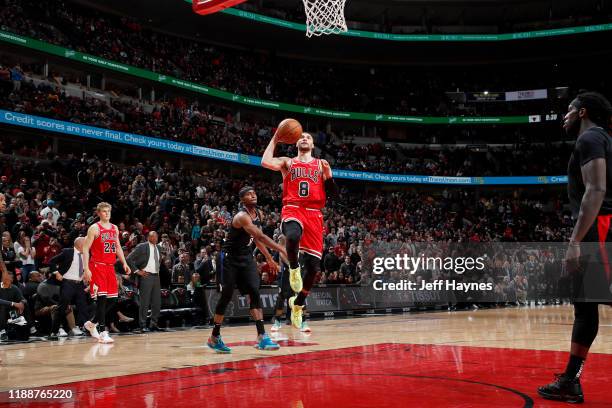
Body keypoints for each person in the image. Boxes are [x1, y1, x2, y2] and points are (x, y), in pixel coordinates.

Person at [538, 92, 612, 404]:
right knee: (586, 307)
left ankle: (570, 379)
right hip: (602, 227)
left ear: (582, 112)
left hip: (601, 229)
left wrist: (574, 242)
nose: (563, 116)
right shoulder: (605, 139)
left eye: (568, 110)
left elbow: (596, 190)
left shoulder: (590, 140)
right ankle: (570, 379)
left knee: (588, 307)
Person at [262, 131, 338, 328]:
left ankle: (298, 305)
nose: (304, 138)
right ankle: (294, 268)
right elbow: (265, 162)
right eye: (301, 137)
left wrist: (329, 177)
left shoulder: (321, 164)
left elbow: (334, 195)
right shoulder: (288, 162)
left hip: (314, 214)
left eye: (309, 137)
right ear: (296, 143)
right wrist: (275, 138)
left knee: (314, 268)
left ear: (312, 145)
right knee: (293, 236)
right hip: (293, 208)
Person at [207, 186, 287, 353]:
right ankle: (214, 337)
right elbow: (261, 237)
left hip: (245, 257)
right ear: (242, 199)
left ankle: (262, 336)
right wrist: (281, 249)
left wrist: (270, 258)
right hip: (229, 258)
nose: (253, 196)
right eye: (249, 194)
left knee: (254, 291)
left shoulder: (259, 214)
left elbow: (256, 240)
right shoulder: (241, 216)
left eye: (254, 193)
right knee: (227, 295)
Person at [82, 202, 131, 343]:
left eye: (108, 211)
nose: (107, 213)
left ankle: (92, 323)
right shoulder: (94, 228)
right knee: (102, 300)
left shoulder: (115, 228)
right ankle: (103, 331)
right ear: (98, 213)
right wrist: (86, 269)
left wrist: (124, 262)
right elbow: (85, 249)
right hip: (97, 266)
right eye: (103, 211)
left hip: (110, 267)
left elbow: (117, 247)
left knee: (113, 300)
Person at [48, 237, 89, 337]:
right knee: (62, 307)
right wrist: (56, 273)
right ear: (79, 244)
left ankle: (84, 327)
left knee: (83, 306)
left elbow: (87, 267)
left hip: (79, 284)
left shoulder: (87, 254)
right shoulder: (67, 252)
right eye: (85, 242)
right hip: (67, 283)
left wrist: (86, 275)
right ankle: (54, 330)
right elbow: (52, 261)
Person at [126, 231, 163, 332]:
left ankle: (153, 324)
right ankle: (142, 325)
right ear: (148, 237)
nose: (155, 238)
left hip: (156, 276)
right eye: (153, 236)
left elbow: (158, 262)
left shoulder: (159, 248)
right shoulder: (142, 246)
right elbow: (129, 258)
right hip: (146, 276)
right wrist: (137, 271)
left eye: (156, 236)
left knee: (157, 302)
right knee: (145, 302)